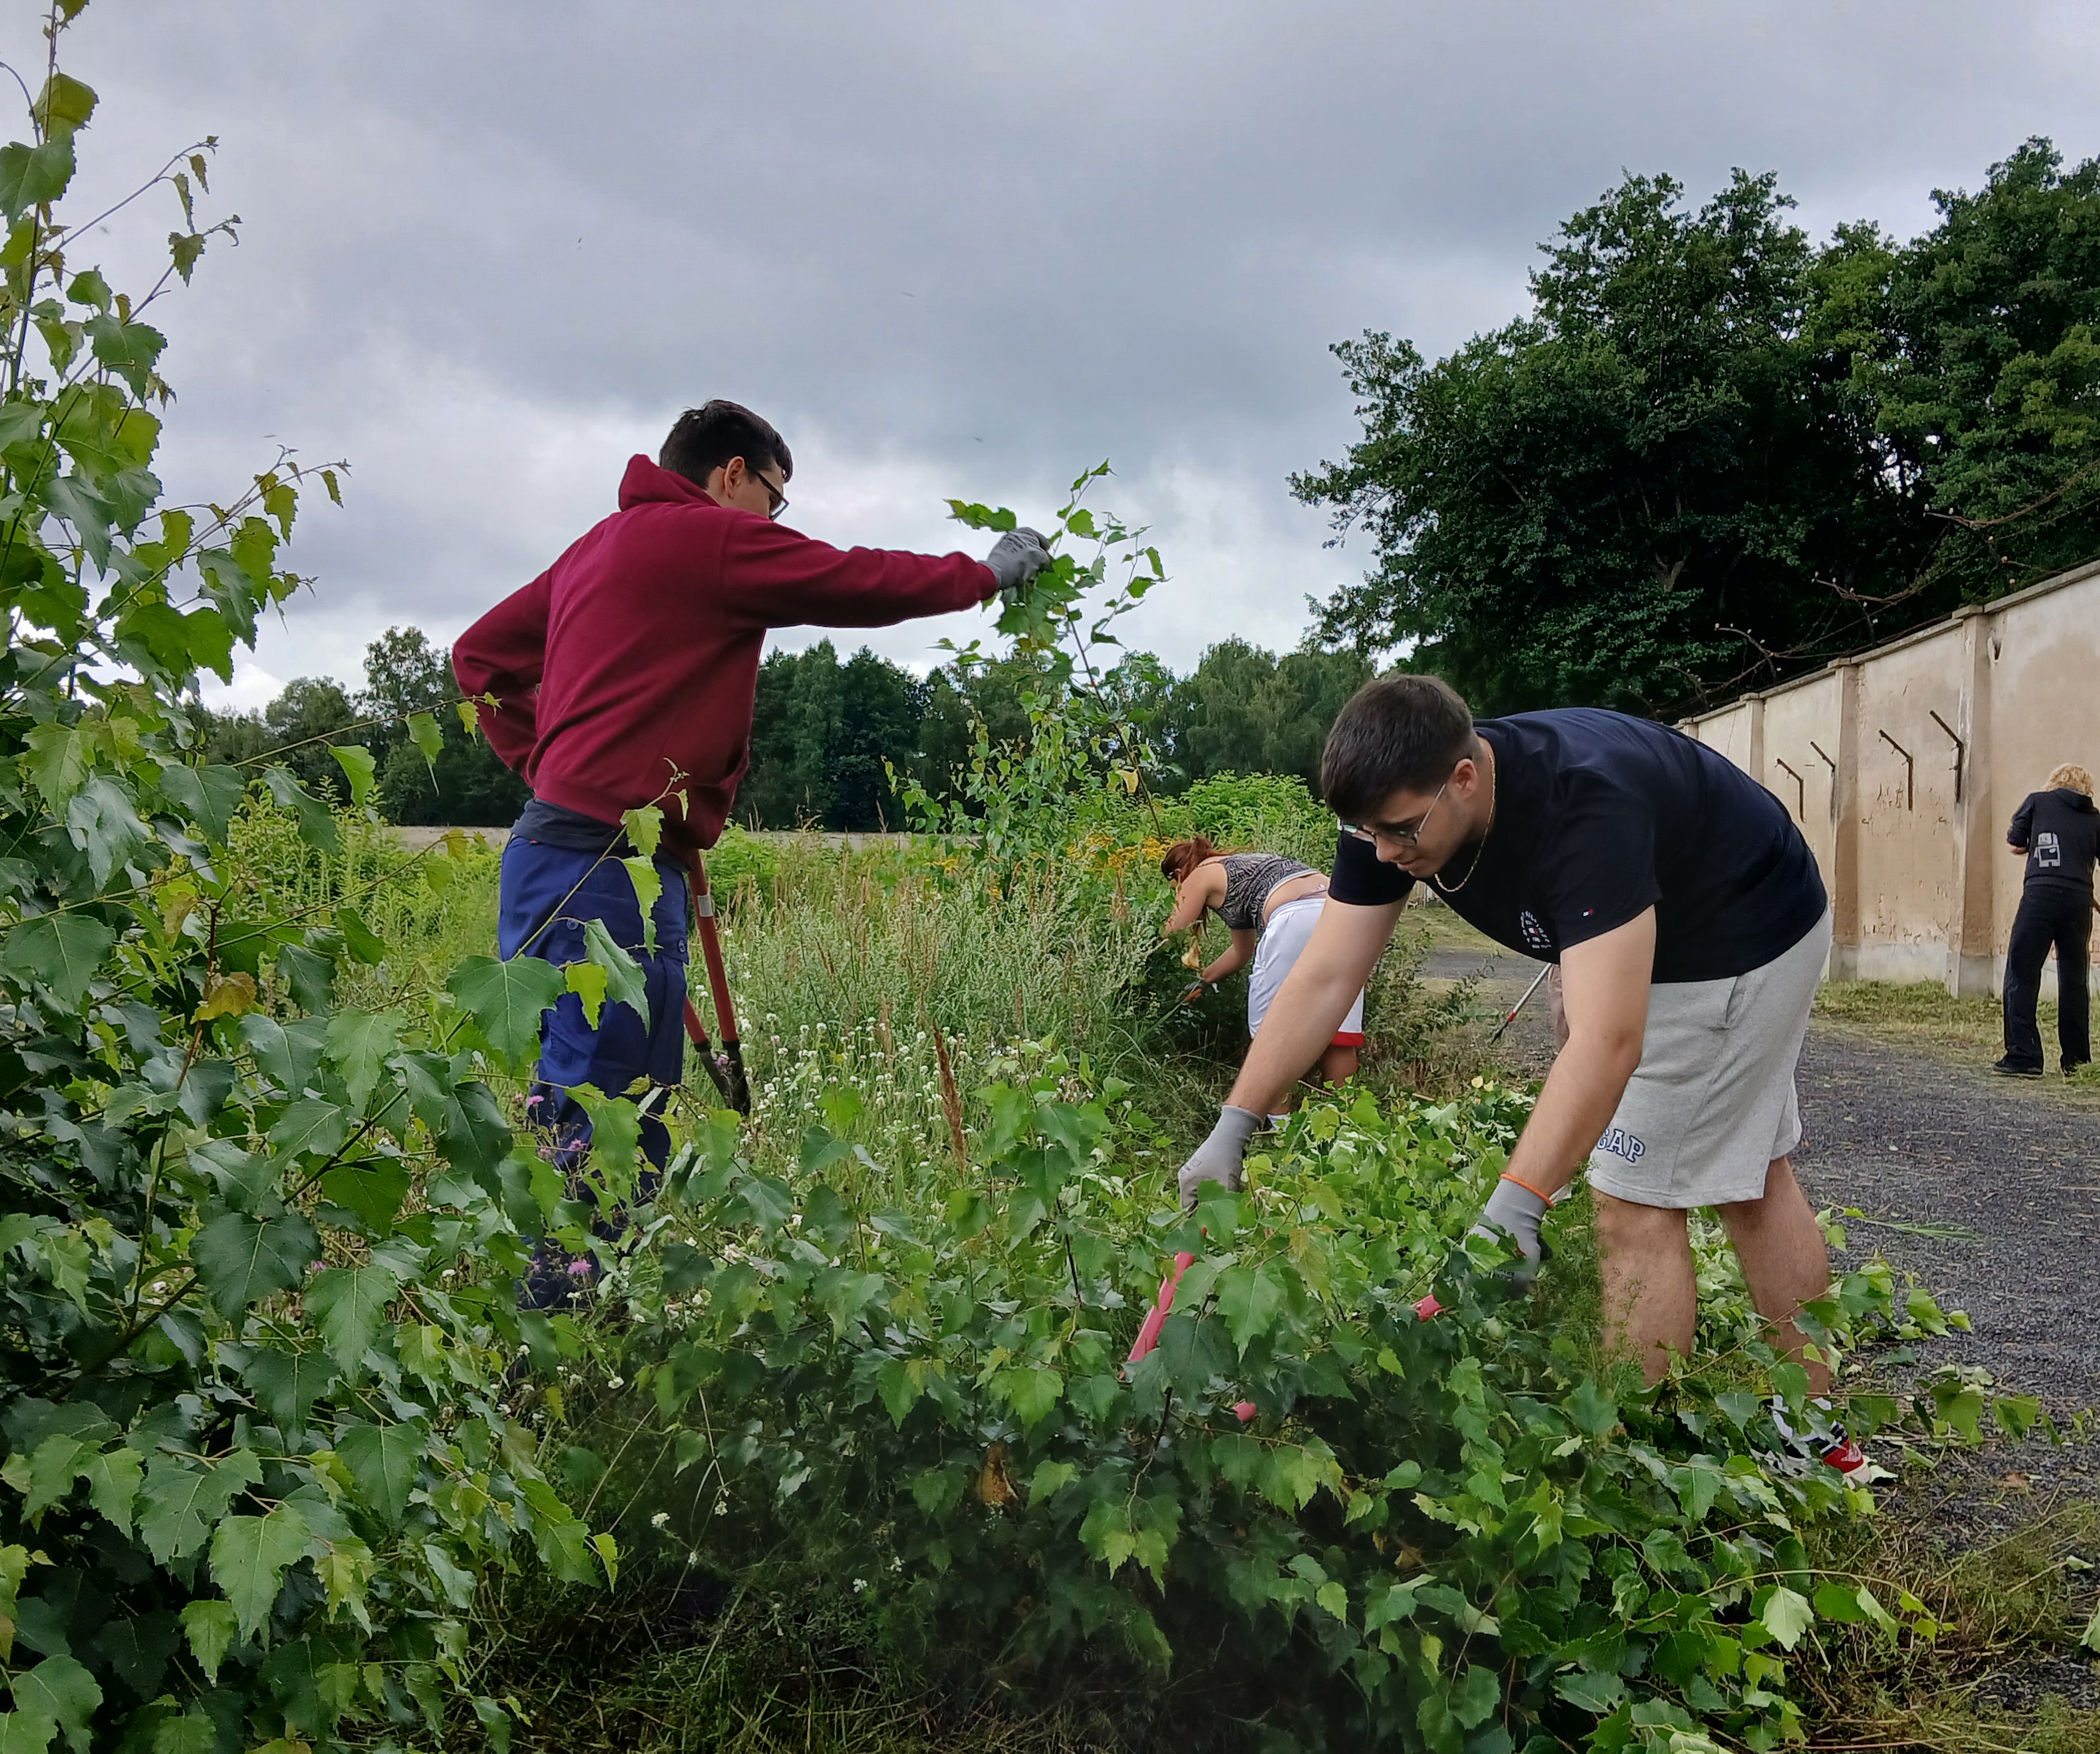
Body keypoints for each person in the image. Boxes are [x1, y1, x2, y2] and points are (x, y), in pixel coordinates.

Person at [455, 399, 1050, 1290]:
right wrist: (984, 575)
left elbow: (477, 659)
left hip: (549, 859)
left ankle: (565, 1320)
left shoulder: (596, 549)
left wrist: (551, 768)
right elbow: (852, 579)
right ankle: (556, 1333)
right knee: (609, 1121)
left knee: (575, 1098)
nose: (776, 521)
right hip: (609, 872)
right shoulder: (707, 538)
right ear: (731, 474)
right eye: (775, 499)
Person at [1172, 675, 1857, 1444]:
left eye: (1401, 832)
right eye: (1368, 834)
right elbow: (1327, 975)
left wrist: (1516, 1207)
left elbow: (1608, 1041)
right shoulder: (1390, 813)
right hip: (1643, 924)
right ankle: (1817, 1427)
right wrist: (1236, 1122)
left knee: (1631, 1201)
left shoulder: (1584, 806)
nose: (1385, 853)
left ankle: (1633, 1461)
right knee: (1751, 1174)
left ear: (1464, 778)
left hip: (1737, 931)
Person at [1157, 837, 1363, 1109]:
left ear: (1178, 873)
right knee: (1338, 1029)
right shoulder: (1244, 867)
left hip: (1292, 916)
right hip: (1340, 910)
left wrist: (1141, 951)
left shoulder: (1198, 874)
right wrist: (1203, 981)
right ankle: (1347, 1119)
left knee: (1268, 1036)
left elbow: (1172, 933)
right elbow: (1241, 953)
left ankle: (1279, 1126)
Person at [1996, 763, 2100, 1077]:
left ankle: (2024, 1056)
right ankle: (2076, 1062)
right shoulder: (2095, 819)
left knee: (2022, 973)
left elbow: (2015, 843)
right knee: (2074, 980)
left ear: (2054, 782)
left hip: (2040, 897)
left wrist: (2041, 843)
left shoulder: (2037, 802)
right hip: (2078, 903)